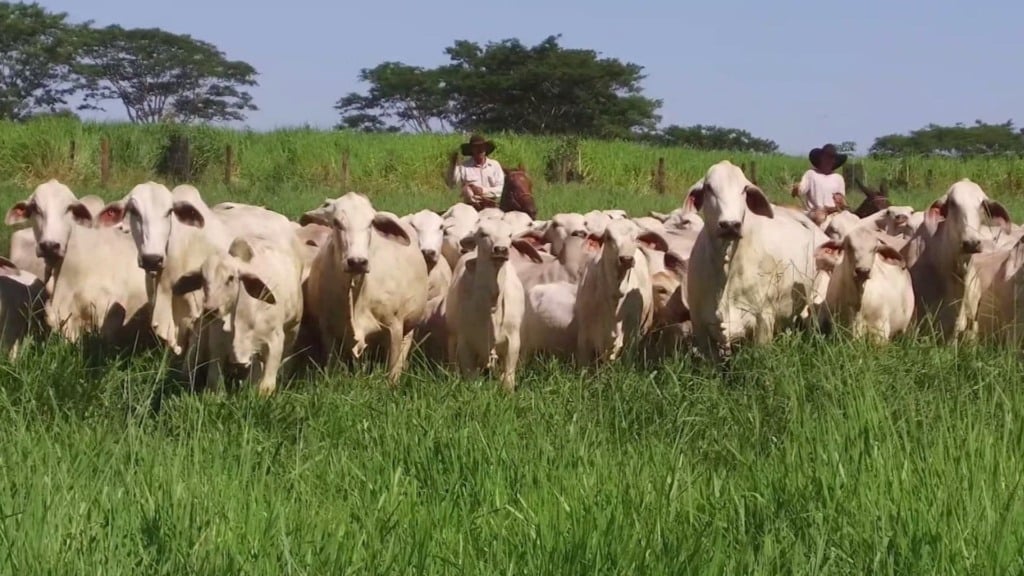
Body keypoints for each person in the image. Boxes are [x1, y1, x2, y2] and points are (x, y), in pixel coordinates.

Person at [792, 143, 848, 225]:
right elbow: (800, 190)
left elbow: (842, 200)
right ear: (821, 158)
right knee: (819, 216)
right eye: (826, 157)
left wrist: (840, 201)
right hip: (815, 213)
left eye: (831, 158)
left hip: (834, 214)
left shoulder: (838, 178)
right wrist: (796, 189)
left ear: (834, 160)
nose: (828, 160)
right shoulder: (811, 174)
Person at [449, 134, 505, 210]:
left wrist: (483, 191)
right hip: (470, 208)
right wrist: (452, 164)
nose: (480, 149)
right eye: (476, 147)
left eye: (482, 147)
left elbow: (501, 188)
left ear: (486, 148)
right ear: (471, 150)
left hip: (491, 208)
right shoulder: (463, 167)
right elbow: (451, 183)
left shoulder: (495, 165)